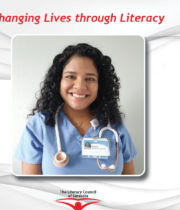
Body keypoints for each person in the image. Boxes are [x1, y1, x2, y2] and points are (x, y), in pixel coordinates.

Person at [15, 43, 137, 175]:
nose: (79, 86)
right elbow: (32, 188)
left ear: (100, 85)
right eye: (70, 76)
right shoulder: (39, 125)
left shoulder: (114, 125)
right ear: (58, 81)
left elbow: (130, 182)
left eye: (90, 79)